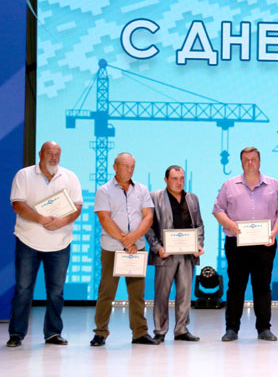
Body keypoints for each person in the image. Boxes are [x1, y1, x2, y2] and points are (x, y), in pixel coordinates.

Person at [7, 141, 83, 348]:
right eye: (49, 153)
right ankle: (16, 334)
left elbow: (77, 207)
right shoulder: (24, 175)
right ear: (40, 154)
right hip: (28, 241)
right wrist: (40, 218)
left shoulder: (70, 177)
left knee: (56, 292)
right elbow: (18, 204)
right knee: (23, 289)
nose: (54, 158)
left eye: (57, 154)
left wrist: (62, 222)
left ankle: (53, 333)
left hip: (60, 243)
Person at [213, 147, 278, 342]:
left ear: (260, 161)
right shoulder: (229, 185)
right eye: (246, 159)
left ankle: (264, 328)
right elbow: (218, 210)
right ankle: (232, 329)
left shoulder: (274, 185)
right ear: (241, 162)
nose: (250, 163)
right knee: (235, 286)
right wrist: (230, 224)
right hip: (236, 243)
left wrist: (274, 232)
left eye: (253, 159)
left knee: (262, 286)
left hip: (265, 243)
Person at [91, 152, 158, 346]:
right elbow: (104, 218)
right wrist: (125, 241)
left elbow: (148, 217)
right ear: (115, 167)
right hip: (112, 247)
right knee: (107, 292)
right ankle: (100, 332)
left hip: (137, 248)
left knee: (137, 293)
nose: (129, 170)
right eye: (125, 166)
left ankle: (140, 333)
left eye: (132, 167)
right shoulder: (104, 190)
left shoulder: (142, 189)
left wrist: (134, 238)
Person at [145, 165, 204, 342]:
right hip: (165, 254)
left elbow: (199, 225)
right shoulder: (154, 197)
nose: (179, 182)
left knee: (185, 294)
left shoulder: (192, 198)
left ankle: (181, 330)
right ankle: (160, 331)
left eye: (181, 179)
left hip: (187, 254)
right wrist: (157, 248)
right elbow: (148, 226)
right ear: (166, 180)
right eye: (174, 179)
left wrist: (199, 244)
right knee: (162, 294)